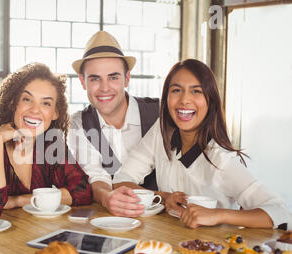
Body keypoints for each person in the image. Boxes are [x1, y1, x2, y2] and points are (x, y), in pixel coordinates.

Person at [112, 58, 291, 230]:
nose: (184, 100)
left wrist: (218, 215)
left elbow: (281, 213)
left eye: (196, 91)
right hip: (168, 242)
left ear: (210, 100)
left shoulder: (221, 160)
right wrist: (163, 197)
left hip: (214, 251)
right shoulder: (161, 132)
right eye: (176, 90)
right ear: (166, 98)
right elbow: (121, 181)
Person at [0, 63, 92, 211]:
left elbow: (82, 191)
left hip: (33, 231)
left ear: (55, 113)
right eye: (27, 99)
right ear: (13, 103)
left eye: (46, 103)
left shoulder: (50, 145)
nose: (35, 110)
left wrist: (19, 200)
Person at [67, 30, 159, 217]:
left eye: (113, 77)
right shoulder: (79, 124)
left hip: (169, 220)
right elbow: (96, 176)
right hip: (112, 221)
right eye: (94, 79)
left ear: (127, 78)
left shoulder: (161, 113)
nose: (104, 88)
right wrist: (107, 197)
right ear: (83, 81)